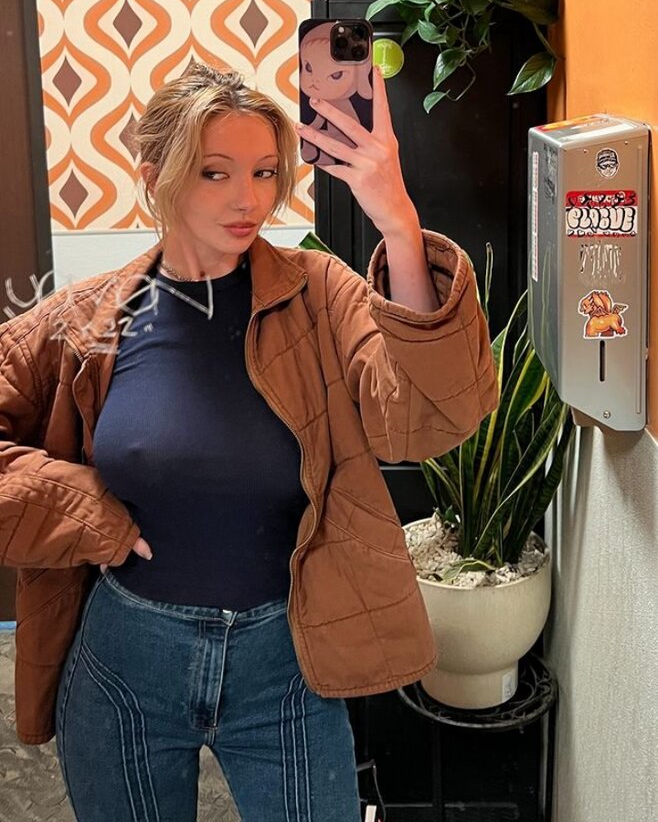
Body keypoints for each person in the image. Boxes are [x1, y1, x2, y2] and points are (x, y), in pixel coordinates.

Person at [0, 60, 498, 822]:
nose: (249, 199)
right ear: (155, 176)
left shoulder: (320, 296)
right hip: (126, 662)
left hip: (285, 662)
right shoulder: (86, 321)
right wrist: (82, 509)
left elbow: (434, 417)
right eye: (215, 172)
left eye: (266, 172)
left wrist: (397, 221)